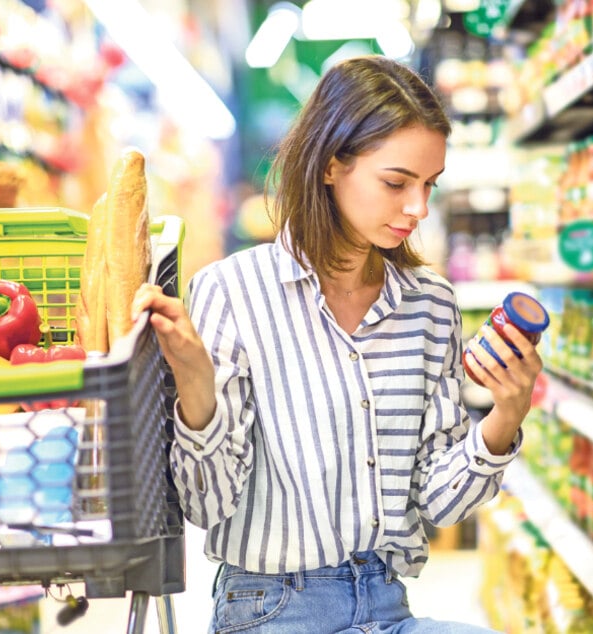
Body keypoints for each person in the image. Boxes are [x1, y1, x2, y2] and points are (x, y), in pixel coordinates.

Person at [131, 55, 543, 634]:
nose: (418, 208)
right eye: (396, 182)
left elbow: (440, 504)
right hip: (271, 609)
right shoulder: (232, 291)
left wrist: (506, 414)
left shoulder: (430, 303)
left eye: (429, 185)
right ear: (330, 166)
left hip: (386, 603)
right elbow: (206, 506)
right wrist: (197, 389)